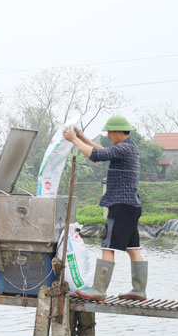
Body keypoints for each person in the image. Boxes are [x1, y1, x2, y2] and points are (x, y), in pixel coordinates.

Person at [62, 115, 147, 301]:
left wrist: (74, 140)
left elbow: (96, 155)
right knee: (133, 247)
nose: (108, 135)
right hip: (131, 205)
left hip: (121, 205)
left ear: (119, 132)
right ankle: (139, 290)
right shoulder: (127, 147)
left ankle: (98, 290)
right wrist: (83, 138)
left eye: (110, 132)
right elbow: (104, 151)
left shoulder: (124, 148)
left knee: (107, 246)